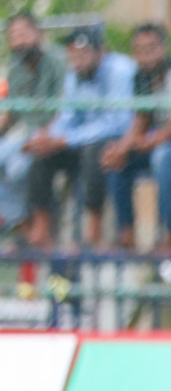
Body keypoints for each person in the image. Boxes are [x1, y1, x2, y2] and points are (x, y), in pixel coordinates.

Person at [23, 26, 136, 248]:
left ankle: (94, 224)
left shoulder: (120, 70)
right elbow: (67, 117)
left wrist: (66, 139)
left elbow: (117, 123)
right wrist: (45, 138)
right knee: (42, 155)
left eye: (84, 53)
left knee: (94, 151)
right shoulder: (74, 74)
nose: (78, 59)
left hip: (118, 140)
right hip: (82, 139)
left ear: (100, 52)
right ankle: (42, 225)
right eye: (73, 54)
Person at [104, 24, 171, 250]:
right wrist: (122, 148)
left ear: (163, 48)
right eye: (139, 50)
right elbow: (140, 121)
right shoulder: (141, 78)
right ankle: (126, 232)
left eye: (151, 48)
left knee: (163, 157)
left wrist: (143, 143)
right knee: (119, 162)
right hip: (159, 140)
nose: (146, 55)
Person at [0, 13, 67, 233]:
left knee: (17, 169)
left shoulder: (57, 60)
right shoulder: (16, 66)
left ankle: (40, 226)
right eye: (14, 36)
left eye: (23, 34)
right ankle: (20, 223)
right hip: (23, 135)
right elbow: (12, 113)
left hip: (54, 134)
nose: (19, 41)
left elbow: (64, 107)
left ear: (38, 34)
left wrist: (43, 136)